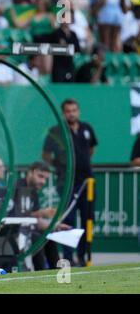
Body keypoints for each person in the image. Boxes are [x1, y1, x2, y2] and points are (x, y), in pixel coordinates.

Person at [42, 98, 98, 267]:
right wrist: (59, 167)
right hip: (67, 182)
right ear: (63, 113)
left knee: (88, 219)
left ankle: (84, 256)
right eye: (68, 111)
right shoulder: (56, 131)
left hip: (86, 182)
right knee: (69, 220)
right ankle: (68, 257)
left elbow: (91, 149)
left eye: (74, 110)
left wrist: (83, 162)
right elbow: (45, 154)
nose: (71, 113)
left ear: (78, 111)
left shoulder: (86, 128)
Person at [13, 162, 71, 271]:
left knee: (50, 235)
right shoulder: (17, 187)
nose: (42, 181)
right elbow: (17, 216)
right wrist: (42, 213)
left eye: (45, 178)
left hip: (29, 230)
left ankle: (56, 272)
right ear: (30, 173)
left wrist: (56, 226)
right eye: (40, 176)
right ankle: (41, 272)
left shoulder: (33, 192)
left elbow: (35, 220)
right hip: (15, 231)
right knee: (38, 237)